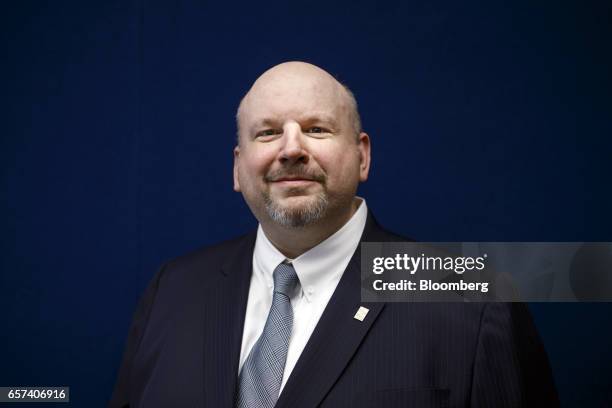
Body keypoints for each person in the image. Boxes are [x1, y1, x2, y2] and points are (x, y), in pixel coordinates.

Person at [110, 61, 558, 407]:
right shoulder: (172, 291)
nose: (290, 149)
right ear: (236, 167)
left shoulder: (469, 298)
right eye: (267, 133)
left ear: (362, 156)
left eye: (316, 129)